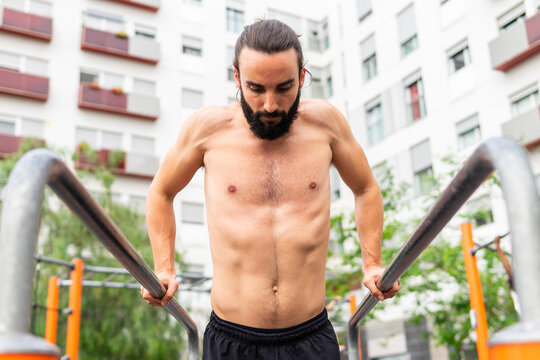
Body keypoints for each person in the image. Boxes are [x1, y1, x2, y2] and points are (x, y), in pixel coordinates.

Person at [141, 19, 399, 359]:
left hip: (311, 335)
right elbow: (161, 192)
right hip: (231, 339)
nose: (271, 105)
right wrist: (164, 268)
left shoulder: (326, 124)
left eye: (284, 87)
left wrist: (373, 264)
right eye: (256, 88)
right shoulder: (208, 129)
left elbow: (366, 188)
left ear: (302, 77)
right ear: (236, 78)